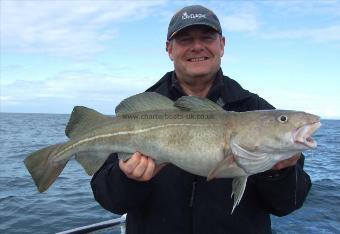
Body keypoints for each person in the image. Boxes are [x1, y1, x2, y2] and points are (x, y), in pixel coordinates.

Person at [91, 5, 311, 234]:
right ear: (169, 49)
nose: (197, 47)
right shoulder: (140, 114)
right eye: (185, 39)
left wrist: (278, 173)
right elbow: (110, 201)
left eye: (207, 37)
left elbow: (287, 204)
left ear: (222, 45)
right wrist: (129, 179)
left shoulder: (256, 110)